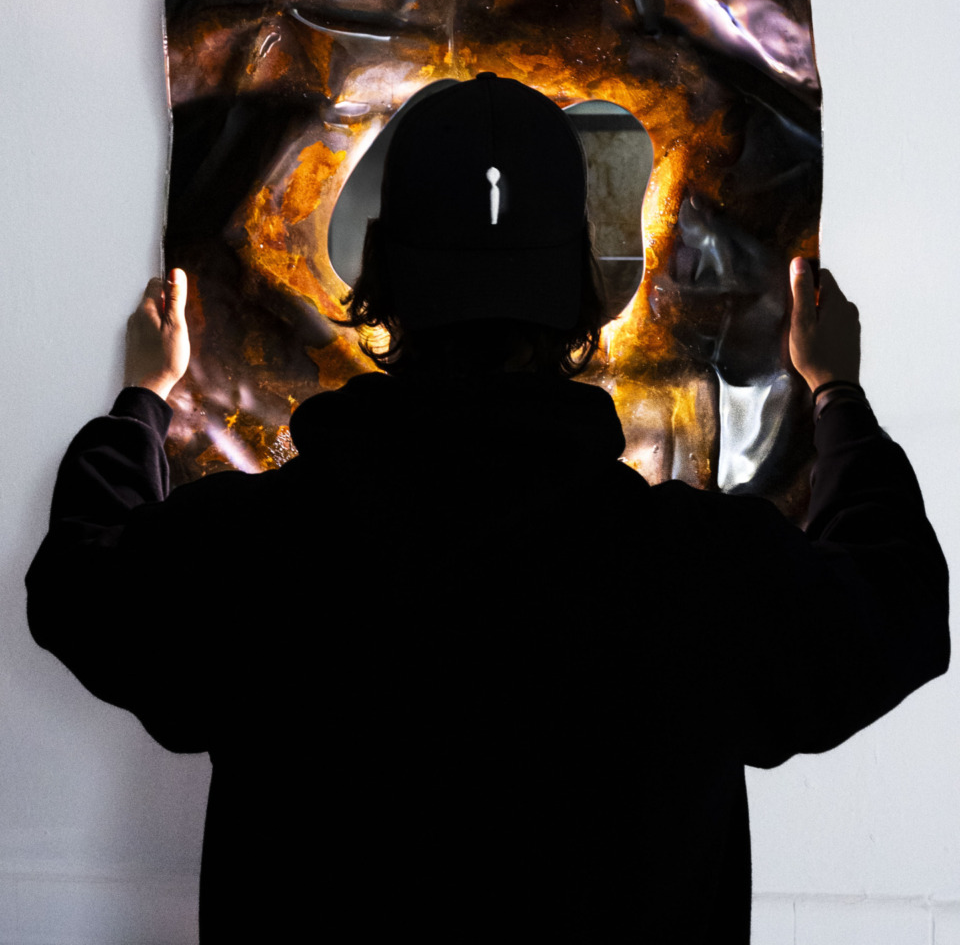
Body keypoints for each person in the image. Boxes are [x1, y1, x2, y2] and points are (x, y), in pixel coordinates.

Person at [27, 74, 949, 943]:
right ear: (588, 288)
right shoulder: (697, 575)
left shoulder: (255, 556)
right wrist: (836, 395)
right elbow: (897, 605)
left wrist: (142, 403)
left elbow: (81, 580)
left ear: (376, 270)